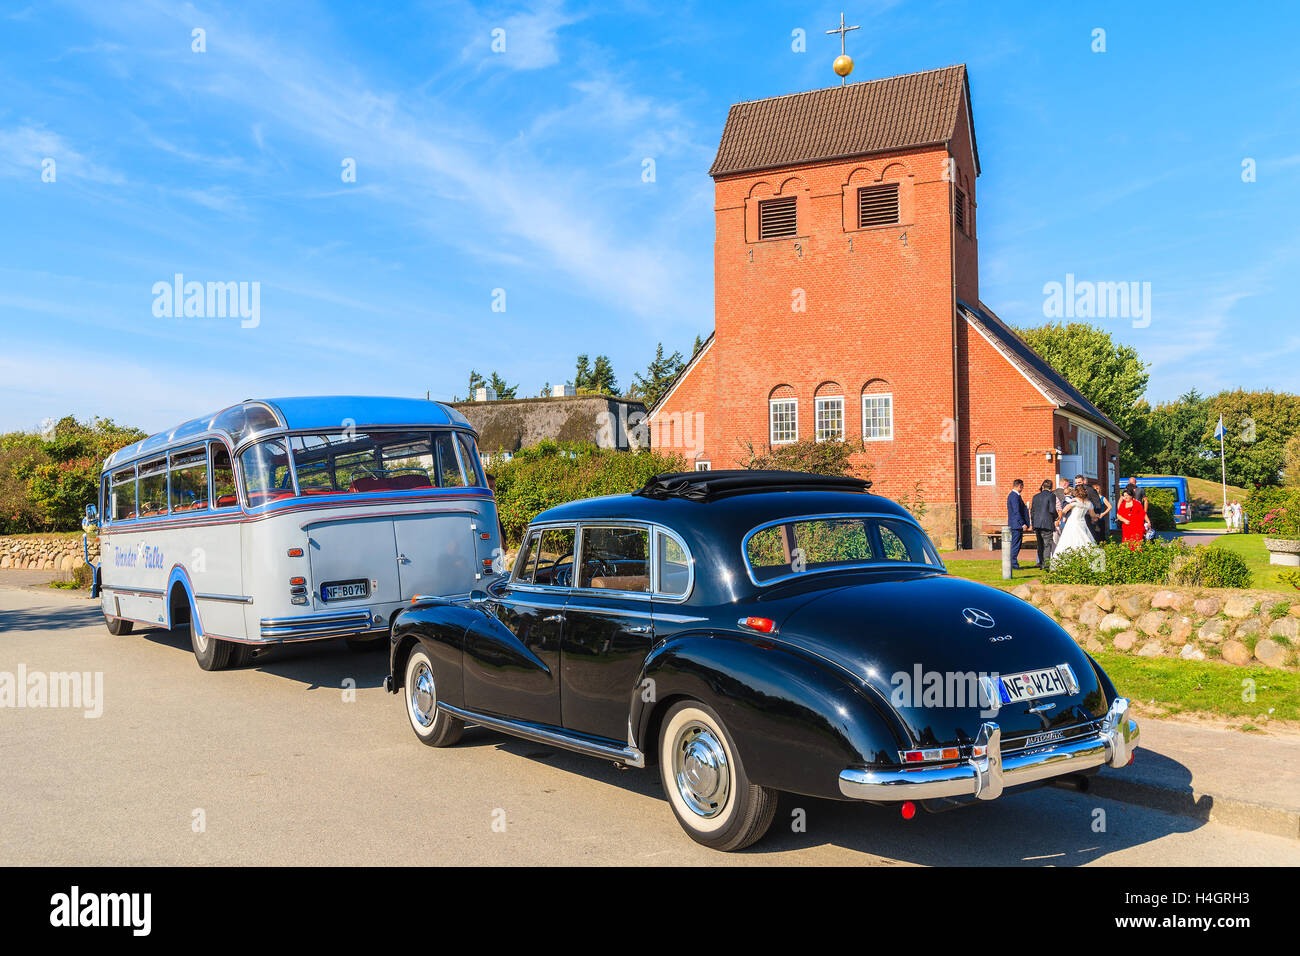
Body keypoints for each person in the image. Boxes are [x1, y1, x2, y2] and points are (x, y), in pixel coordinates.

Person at [1054, 483, 1100, 564]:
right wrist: (1096, 517)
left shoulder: (1074, 501)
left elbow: (1064, 510)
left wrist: (1058, 518)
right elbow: (1093, 516)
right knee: (1084, 540)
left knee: (1069, 540)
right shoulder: (1089, 503)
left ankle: (1069, 560)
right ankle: (1084, 560)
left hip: (1073, 523)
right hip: (1082, 523)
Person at [1030, 479, 1059, 568]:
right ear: (1051, 487)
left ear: (1043, 486)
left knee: (1040, 544)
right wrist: (1056, 517)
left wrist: (1033, 523)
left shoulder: (1035, 496)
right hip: (1047, 523)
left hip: (1037, 523)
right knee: (1047, 544)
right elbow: (1052, 510)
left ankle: (1041, 563)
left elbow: (1032, 511)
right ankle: (1046, 565)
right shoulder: (1051, 496)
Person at [1006, 479, 1031, 570]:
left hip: (1014, 524)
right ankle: (1013, 564)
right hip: (1016, 525)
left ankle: (1012, 563)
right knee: (1016, 545)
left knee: (1015, 544)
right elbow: (1016, 512)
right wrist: (1023, 524)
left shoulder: (1013, 495)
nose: (1023, 488)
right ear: (1019, 486)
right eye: (1022, 486)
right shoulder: (1014, 496)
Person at [1115, 487, 1147, 551]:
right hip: (1127, 527)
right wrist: (1124, 520)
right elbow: (1118, 515)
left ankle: (1137, 556)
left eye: (1127, 495)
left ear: (1131, 496)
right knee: (1127, 542)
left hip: (1137, 526)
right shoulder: (1122, 505)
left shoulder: (1137, 504)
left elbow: (1143, 514)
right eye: (1124, 496)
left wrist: (1148, 522)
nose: (1125, 497)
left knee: (1137, 542)